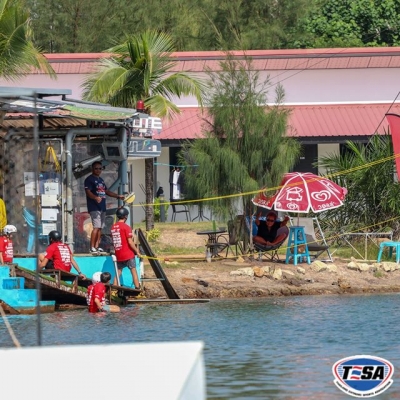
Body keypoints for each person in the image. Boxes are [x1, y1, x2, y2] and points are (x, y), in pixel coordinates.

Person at [84, 161, 124, 254]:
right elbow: (88, 192)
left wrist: (118, 196)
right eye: (96, 168)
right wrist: (95, 197)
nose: (98, 170)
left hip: (102, 207)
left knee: (100, 228)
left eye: (100, 168)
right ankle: (92, 247)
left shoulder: (101, 180)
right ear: (92, 169)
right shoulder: (89, 179)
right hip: (94, 207)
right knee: (96, 227)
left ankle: (97, 246)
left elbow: (106, 191)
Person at [110, 207, 141, 289]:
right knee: (133, 271)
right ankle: (137, 288)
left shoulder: (113, 227)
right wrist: (137, 251)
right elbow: (130, 242)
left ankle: (114, 289)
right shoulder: (126, 227)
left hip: (119, 254)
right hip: (128, 254)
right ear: (126, 217)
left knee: (118, 272)